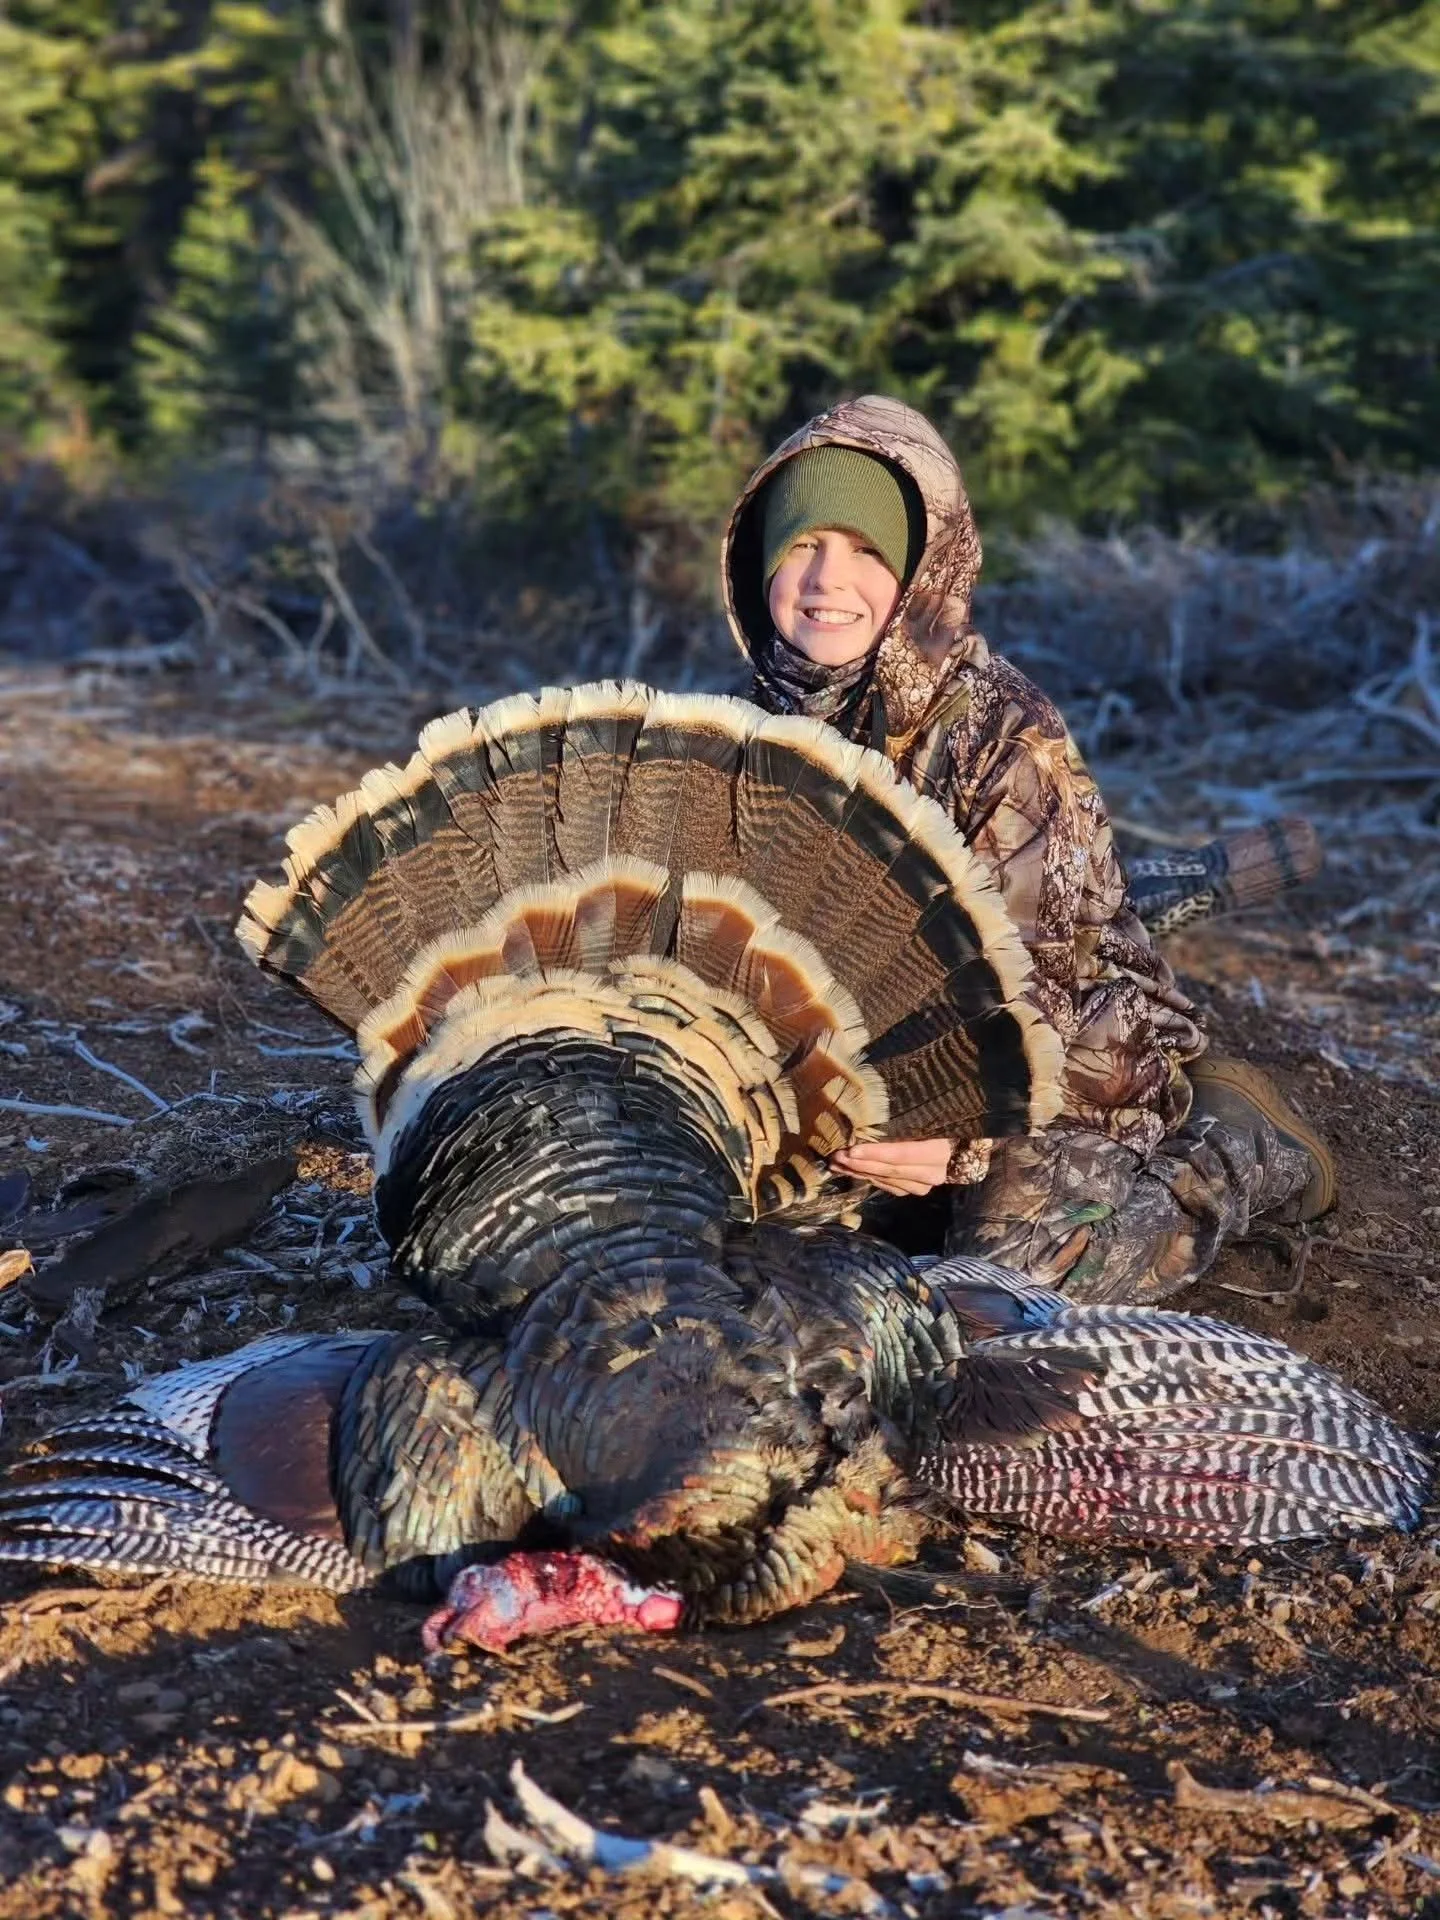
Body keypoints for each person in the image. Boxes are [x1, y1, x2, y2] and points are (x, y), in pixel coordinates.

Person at [721, 394, 1334, 1303]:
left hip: (1065, 1058)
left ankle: (1232, 1145)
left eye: (866, 551)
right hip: (851, 1085)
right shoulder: (734, 730)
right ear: (760, 561)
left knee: (1011, 1288)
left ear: (923, 570)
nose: (826, 580)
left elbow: (1050, 984)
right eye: (803, 545)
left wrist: (961, 1146)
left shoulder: (1004, 738)